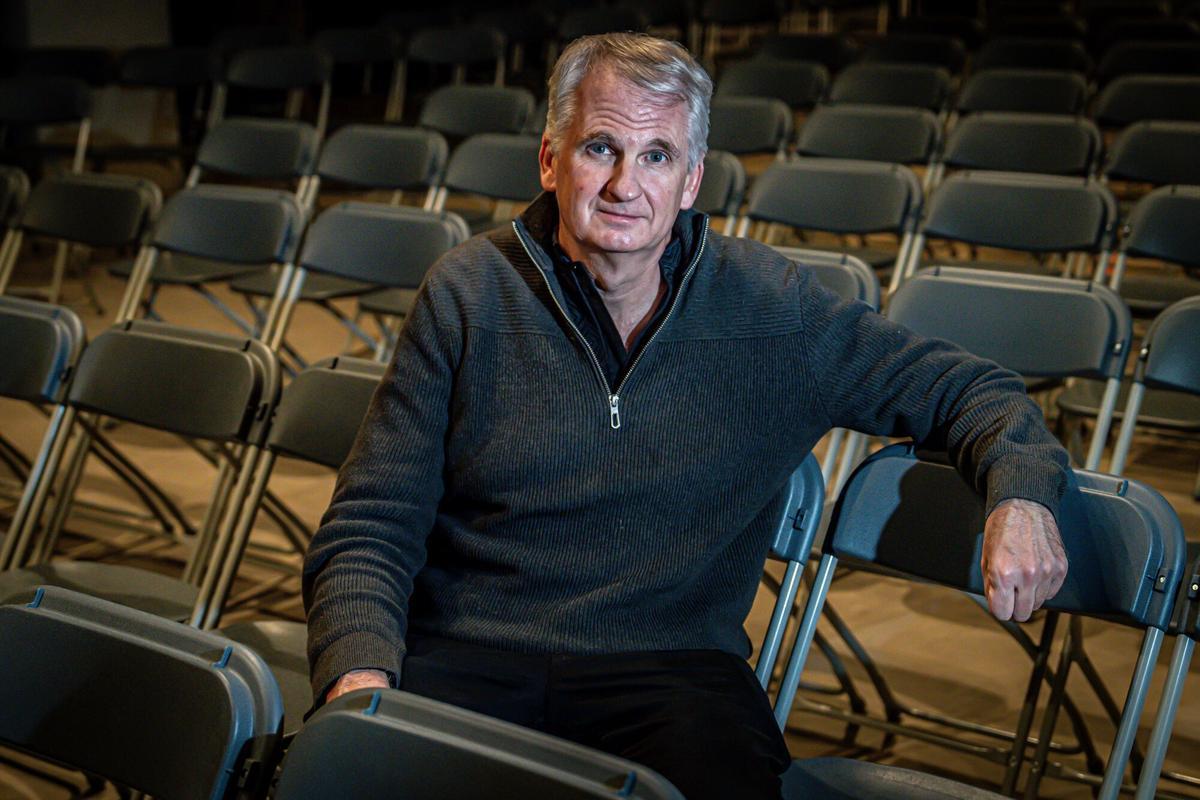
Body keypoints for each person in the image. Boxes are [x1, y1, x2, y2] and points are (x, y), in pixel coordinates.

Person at [303, 33, 1070, 799]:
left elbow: (970, 389)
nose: (624, 185)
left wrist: (1022, 492)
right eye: (600, 148)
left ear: (692, 179)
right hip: (466, 653)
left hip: (671, 674)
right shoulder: (468, 292)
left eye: (657, 156)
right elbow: (372, 521)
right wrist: (360, 674)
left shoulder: (771, 309)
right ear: (549, 159)